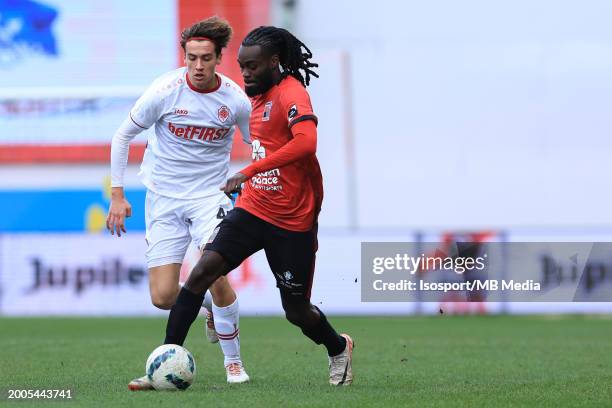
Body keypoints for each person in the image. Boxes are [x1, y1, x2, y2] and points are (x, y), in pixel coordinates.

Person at [161, 26, 354, 386]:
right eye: (241, 66)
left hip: (292, 221)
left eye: (252, 67)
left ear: (274, 62)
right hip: (252, 209)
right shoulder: (255, 97)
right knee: (202, 272)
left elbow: (307, 143)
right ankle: (164, 360)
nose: (245, 73)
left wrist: (249, 171)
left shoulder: (290, 93)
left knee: (296, 312)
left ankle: (337, 346)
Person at [106, 16, 251, 388]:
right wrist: (117, 196)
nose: (198, 66)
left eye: (206, 58)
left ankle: (233, 363)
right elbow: (122, 136)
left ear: (220, 57)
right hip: (164, 198)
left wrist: (253, 180)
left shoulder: (235, 100)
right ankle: (207, 310)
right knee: (163, 296)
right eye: (192, 58)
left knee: (216, 275)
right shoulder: (165, 90)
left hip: (209, 198)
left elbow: (258, 145)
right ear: (184, 56)